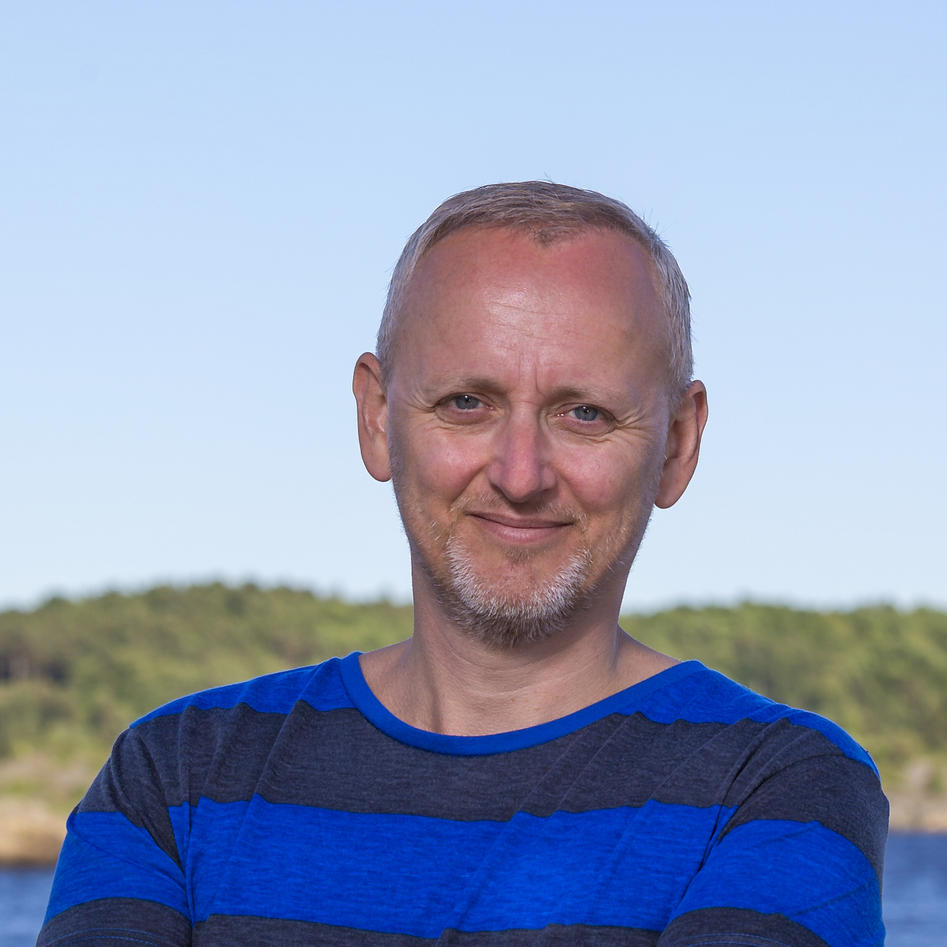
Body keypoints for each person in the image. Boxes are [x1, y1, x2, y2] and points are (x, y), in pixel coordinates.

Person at [39, 182, 887, 946]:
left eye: (584, 413)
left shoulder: (780, 788)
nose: (520, 474)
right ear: (377, 418)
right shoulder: (173, 778)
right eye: (467, 403)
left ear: (676, 443)